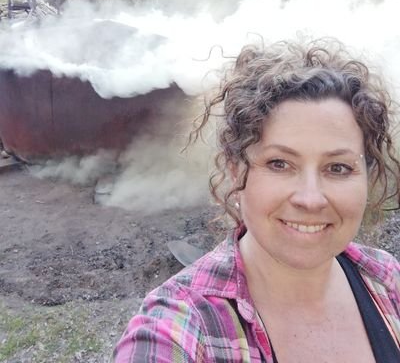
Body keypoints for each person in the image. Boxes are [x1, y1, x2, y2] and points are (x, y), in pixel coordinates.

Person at [113, 39, 400, 362]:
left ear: (366, 178)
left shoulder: (387, 279)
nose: (310, 198)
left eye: (338, 168)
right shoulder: (181, 325)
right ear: (236, 171)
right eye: (279, 163)